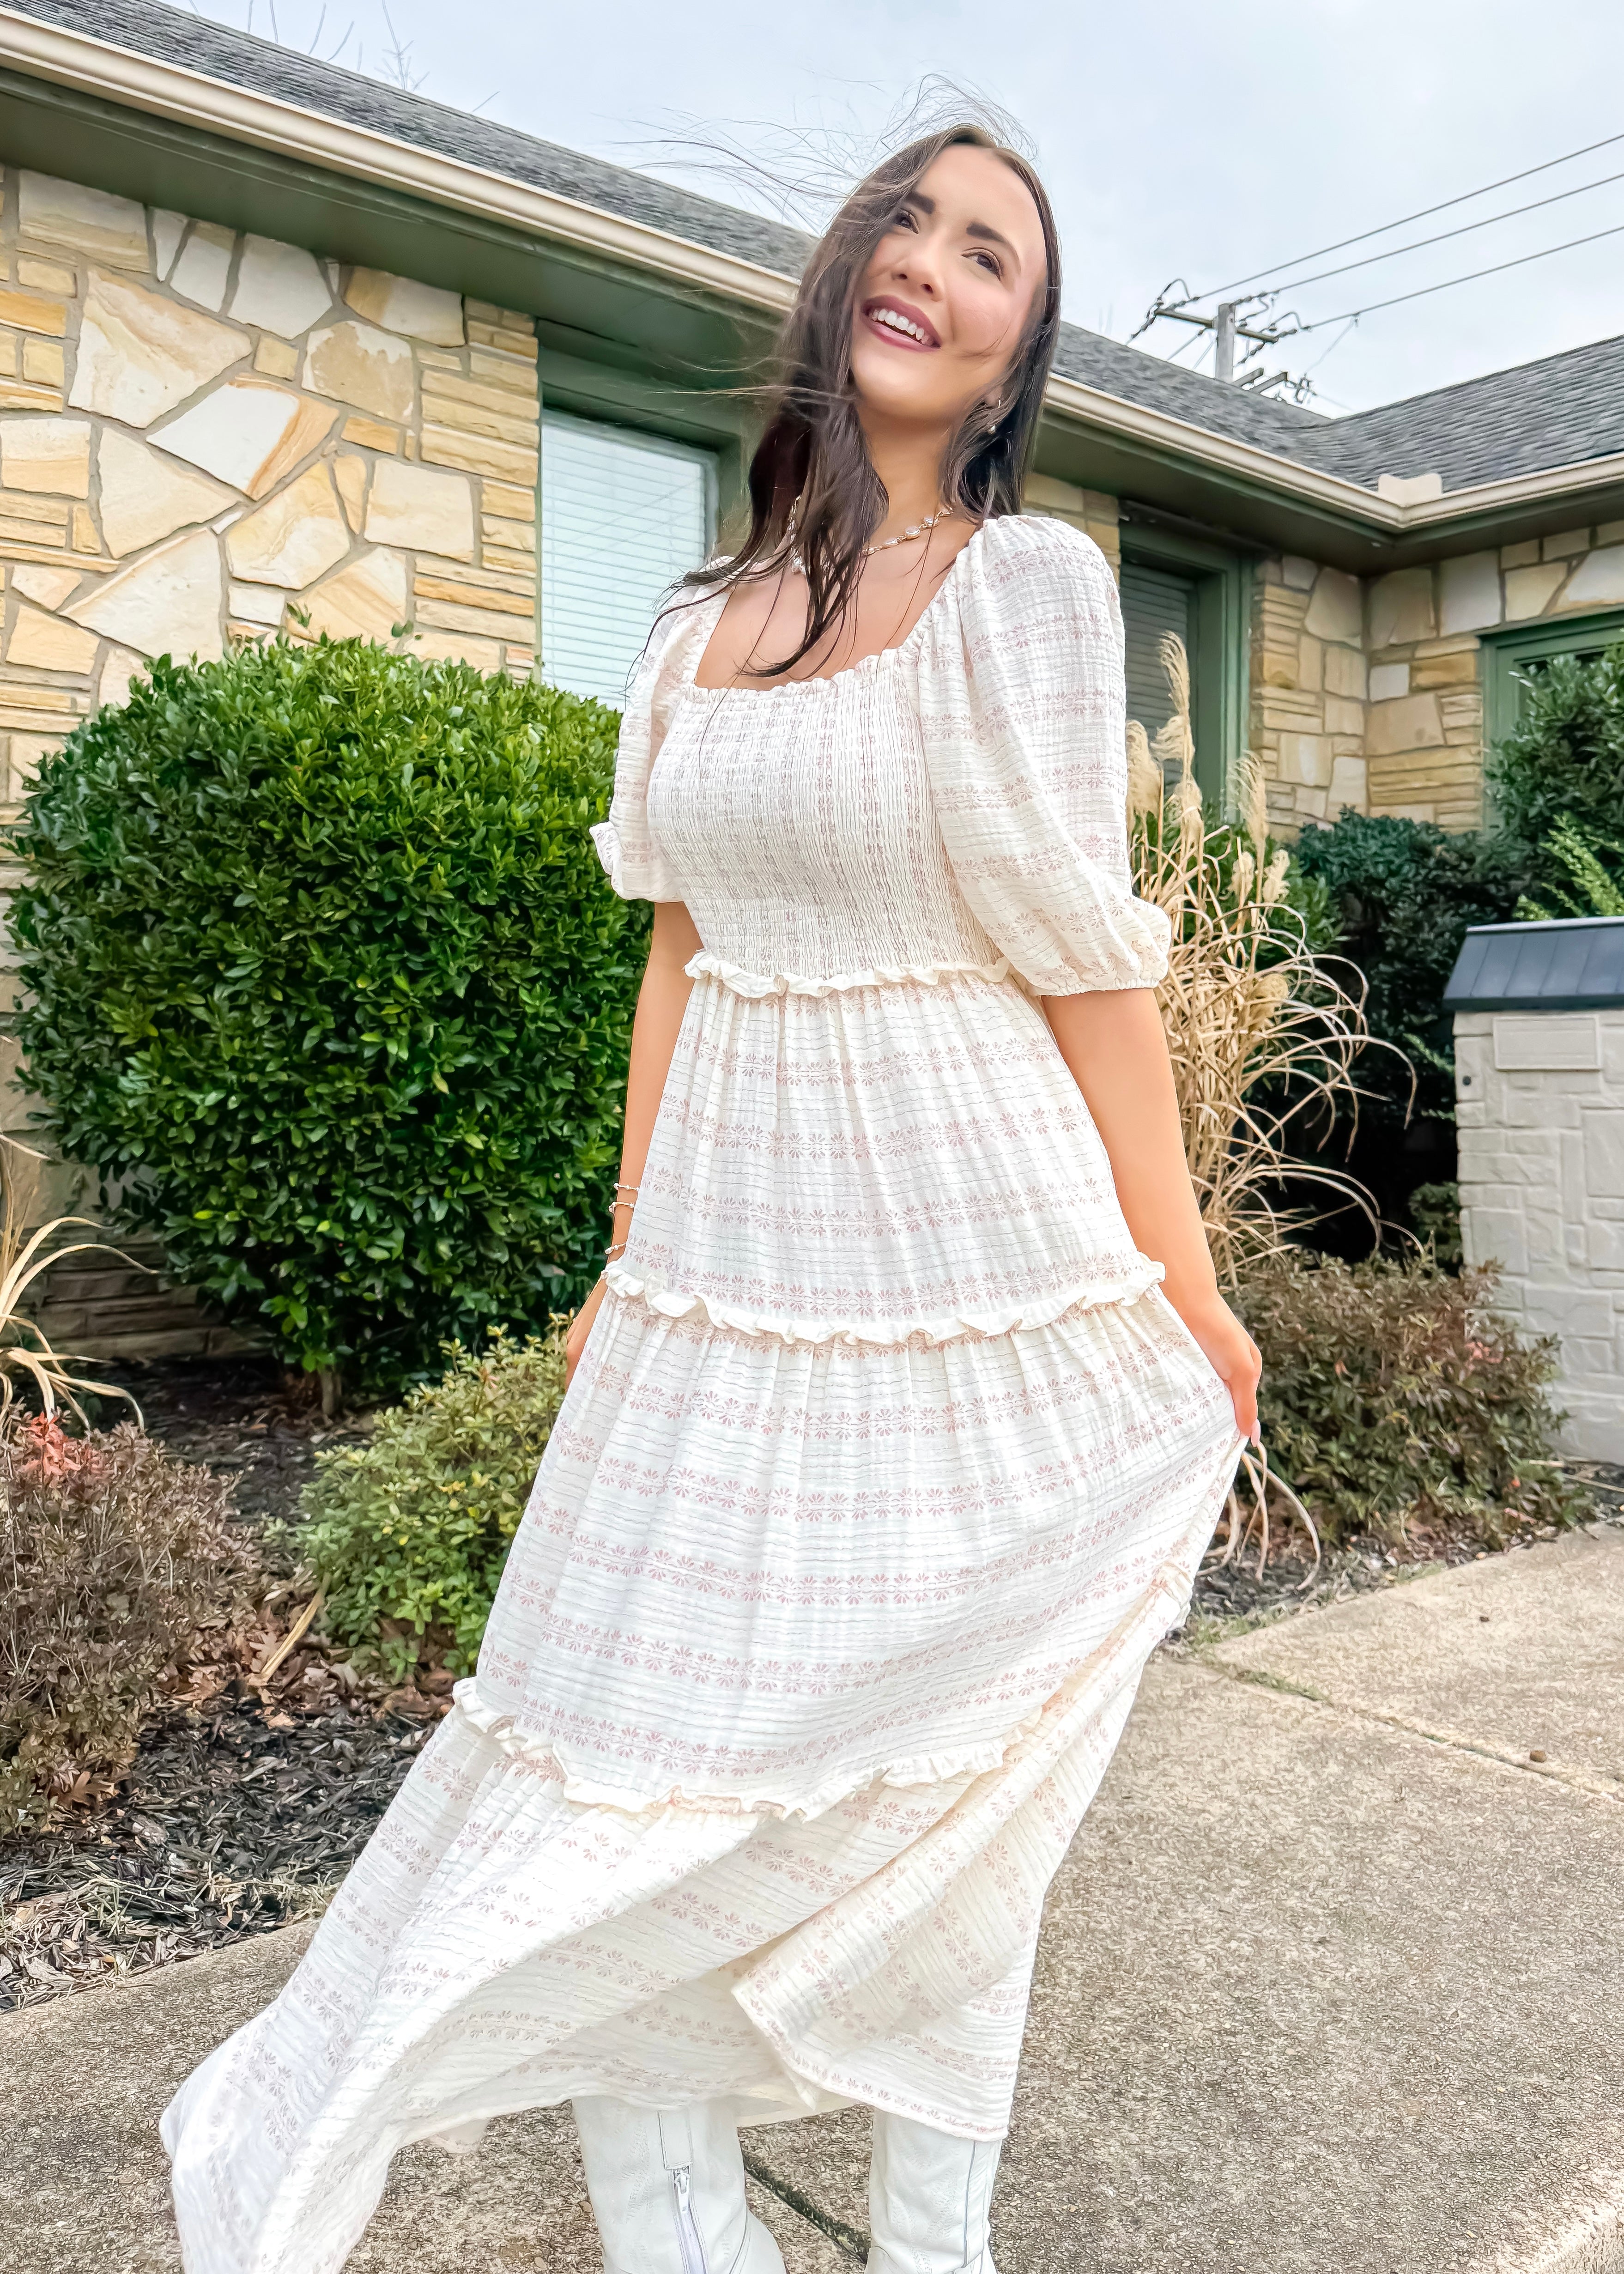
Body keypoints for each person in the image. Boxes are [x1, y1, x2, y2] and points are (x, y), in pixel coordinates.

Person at [163, 121, 1255, 2274]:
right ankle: (688, 2245)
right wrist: (629, 1249)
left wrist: (1188, 1283)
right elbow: (675, 949)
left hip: (977, 1247)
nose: (933, 264)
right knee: (624, 1748)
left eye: (993, 255)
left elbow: (1088, 966)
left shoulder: (1028, 589)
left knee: (953, 1774)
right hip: (731, 1268)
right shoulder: (691, 625)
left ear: (1018, 350)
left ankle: (933, 2245)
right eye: (909, 222)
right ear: (846, 270)